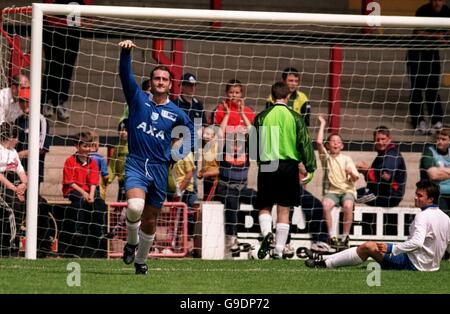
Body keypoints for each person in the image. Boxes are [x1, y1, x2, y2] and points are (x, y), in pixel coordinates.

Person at [118, 40, 194, 275]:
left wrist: (175, 155)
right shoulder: (138, 99)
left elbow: (191, 136)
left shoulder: (178, 113)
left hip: (160, 169)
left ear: (170, 84)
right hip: (137, 163)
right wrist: (125, 53)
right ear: (150, 82)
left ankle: (141, 261)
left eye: (164, 79)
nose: (160, 82)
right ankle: (131, 242)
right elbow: (125, 75)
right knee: (134, 205)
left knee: (150, 221)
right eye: (156, 78)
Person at [306, 181, 450, 272]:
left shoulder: (422, 216)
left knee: (367, 246)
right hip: (432, 267)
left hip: (413, 265)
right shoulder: (445, 217)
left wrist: (392, 248)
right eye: (416, 194)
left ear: (430, 199)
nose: (415, 198)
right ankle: (325, 257)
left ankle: (324, 264)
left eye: (420, 196)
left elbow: (417, 242)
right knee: (369, 246)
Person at [254, 82, 316, 259]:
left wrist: (260, 160)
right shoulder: (296, 117)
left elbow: (253, 146)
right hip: (289, 165)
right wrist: (310, 167)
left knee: (265, 205)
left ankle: (267, 235)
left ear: (272, 97)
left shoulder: (261, 117)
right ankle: (279, 251)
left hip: (268, 163)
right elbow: (305, 143)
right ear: (288, 96)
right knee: (284, 209)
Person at [213, 101, 257, 256]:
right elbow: (220, 133)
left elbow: (252, 131)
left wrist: (243, 114)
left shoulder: (248, 150)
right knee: (232, 201)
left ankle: (263, 235)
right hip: (225, 188)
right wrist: (226, 115)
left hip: (242, 188)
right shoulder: (223, 149)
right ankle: (231, 239)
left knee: (263, 198)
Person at [41, 0, 91, 121]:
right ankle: (47, 99)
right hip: (52, 25)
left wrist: (87, 15)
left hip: (73, 26)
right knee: (53, 64)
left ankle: (61, 101)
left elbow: (87, 6)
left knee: (68, 66)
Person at [407, 0, 449, 135]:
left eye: (440, 0)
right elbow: (419, 32)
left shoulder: (446, 11)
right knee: (417, 88)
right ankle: (419, 121)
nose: (438, 3)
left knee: (433, 87)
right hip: (416, 51)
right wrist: (438, 36)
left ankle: (437, 120)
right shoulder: (423, 10)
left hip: (432, 52)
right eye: (435, 0)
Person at [317, 114, 359, 249]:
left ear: (342, 145)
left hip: (347, 190)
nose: (335, 143)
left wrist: (351, 173)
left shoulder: (346, 159)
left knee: (347, 206)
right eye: (332, 141)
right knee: (325, 205)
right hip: (332, 191)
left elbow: (355, 178)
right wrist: (322, 123)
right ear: (328, 145)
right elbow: (318, 142)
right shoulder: (326, 158)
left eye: (338, 141)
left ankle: (345, 237)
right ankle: (332, 236)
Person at [61, 131, 106, 258]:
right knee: (79, 201)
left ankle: (99, 231)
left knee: (100, 203)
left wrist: (91, 194)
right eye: (85, 146)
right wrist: (84, 193)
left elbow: (93, 182)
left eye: (89, 146)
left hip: (88, 191)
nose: (87, 149)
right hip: (74, 190)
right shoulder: (70, 161)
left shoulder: (92, 162)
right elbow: (70, 182)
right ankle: (77, 231)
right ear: (77, 146)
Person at [356, 126, 406, 207]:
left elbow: (386, 178)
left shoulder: (391, 155)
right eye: (377, 140)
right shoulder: (382, 154)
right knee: (350, 194)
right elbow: (374, 180)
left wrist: (368, 171)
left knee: (350, 197)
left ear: (389, 139)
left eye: (383, 139)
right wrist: (365, 172)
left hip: (389, 196)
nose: (380, 142)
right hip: (380, 193)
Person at [14, 87, 51, 188]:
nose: (24, 104)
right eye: (21, 100)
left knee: (32, 199)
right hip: (18, 168)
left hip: (34, 168)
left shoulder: (42, 120)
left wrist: (21, 154)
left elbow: (43, 148)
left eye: (28, 100)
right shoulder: (18, 120)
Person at [0, 122, 27, 256]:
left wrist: (24, 185)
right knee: (13, 208)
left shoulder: (14, 152)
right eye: (16, 138)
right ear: (9, 137)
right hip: (4, 185)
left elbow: (21, 171)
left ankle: (41, 246)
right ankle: (12, 245)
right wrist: (15, 189)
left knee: (41, 204)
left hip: (17, 184)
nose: (18, 140)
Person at [420, 126, 450, 215]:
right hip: (437, 195)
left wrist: (441, 170)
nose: (439, 141)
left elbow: (438, 173)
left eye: (443, 139)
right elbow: (433, 175)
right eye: (438, 138)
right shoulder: (429, 152)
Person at [197, 125, 219, 200]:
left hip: (215, 182)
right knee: (205, 202)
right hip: (207, 180)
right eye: (205, 133)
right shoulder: (206, 149)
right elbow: (206, 166)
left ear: (214, 136)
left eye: (208, 134)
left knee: (209, 204)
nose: (205, 136)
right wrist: (201, 173)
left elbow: (222, 170)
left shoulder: (217, 149)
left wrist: (207, 173)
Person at [88, 131, 109, 200]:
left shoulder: (82, 157)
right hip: (97, 187)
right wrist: (106, 183)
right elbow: (105, 175)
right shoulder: (101, 158)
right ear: (96, 145)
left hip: (85, 186)